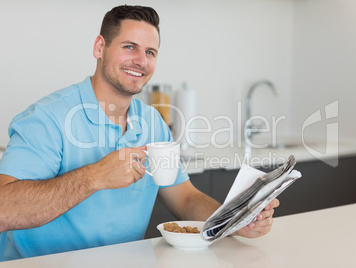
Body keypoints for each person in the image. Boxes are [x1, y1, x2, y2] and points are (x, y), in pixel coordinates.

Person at [0, 5, 279, 261]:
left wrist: (234, 220)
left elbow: (184, 198)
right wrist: (95, 176)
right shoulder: (48, 118)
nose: (140, 61)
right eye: (129, 47)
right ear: (100, 47)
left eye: (150, 52)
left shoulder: (152, 122)